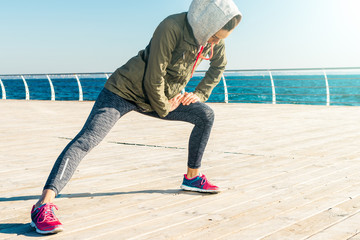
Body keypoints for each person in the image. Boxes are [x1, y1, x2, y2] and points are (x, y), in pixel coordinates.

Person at [30, 0, 242, 235]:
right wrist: (165, 106)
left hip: (162, 98)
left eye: (220, 39)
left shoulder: (215, 41)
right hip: (124, 90)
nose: (215, 42)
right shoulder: (171, 26)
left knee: (205, 115)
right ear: (205, 24)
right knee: (86, 140)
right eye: (214, 36)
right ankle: (43, 205)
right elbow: (155, 74)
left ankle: (192, 178)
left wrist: (198, 94)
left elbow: (219, 66)